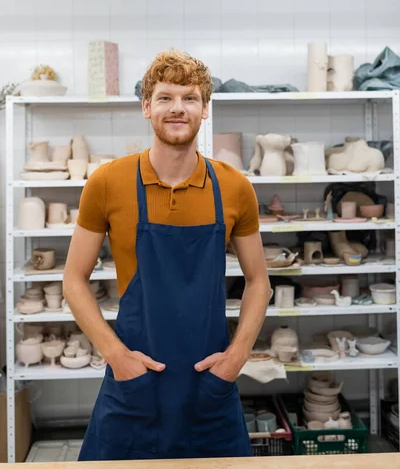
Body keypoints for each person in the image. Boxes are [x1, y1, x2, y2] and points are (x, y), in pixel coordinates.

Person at [63, 50, 270, 461]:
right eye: (165, 97)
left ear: (205, 109)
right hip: (134, 387)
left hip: (209, 387)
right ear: (146, 107)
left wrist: (237, 356)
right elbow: (73, 280)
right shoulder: (107, 183)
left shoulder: (234, 187)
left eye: (190, 98)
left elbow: (259, 281)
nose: (178, 108)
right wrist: (116, 355)